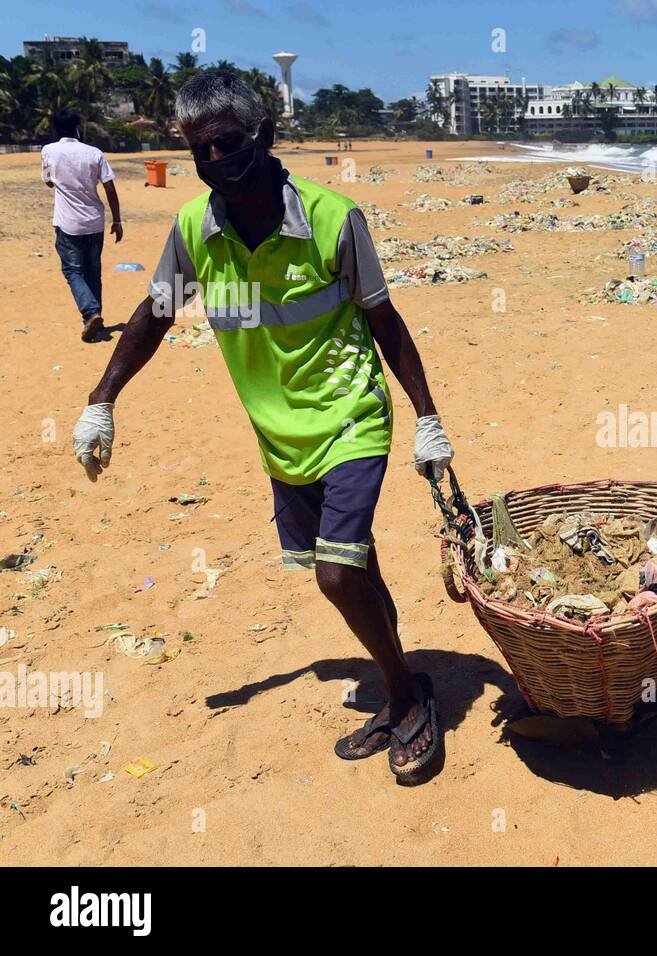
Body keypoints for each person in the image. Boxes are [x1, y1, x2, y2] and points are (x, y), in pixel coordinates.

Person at [70, 71, 453, 785]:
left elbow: (384, 321)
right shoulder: (194, 229)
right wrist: (103, 399)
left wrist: (428, 418)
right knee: (352, 568)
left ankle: (406, 693)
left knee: (336, 575)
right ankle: (405, 683)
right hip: (279, 437)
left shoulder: (334, 219)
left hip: (350, 417)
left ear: (266, 136)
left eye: (227, 144)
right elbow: (155, 313)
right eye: (198, 151)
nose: (214, 162)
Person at [41, 109, 123, 343]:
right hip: (95, 221)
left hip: (68, 223)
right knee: (92, 271)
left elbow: (48, 181)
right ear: (78, 128)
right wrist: (117, 221)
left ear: (56, 129)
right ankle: (95, 318)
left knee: (73, 271)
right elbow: (110, 188)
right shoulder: (94, 153)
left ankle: (91, 313)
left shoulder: (49, 150)